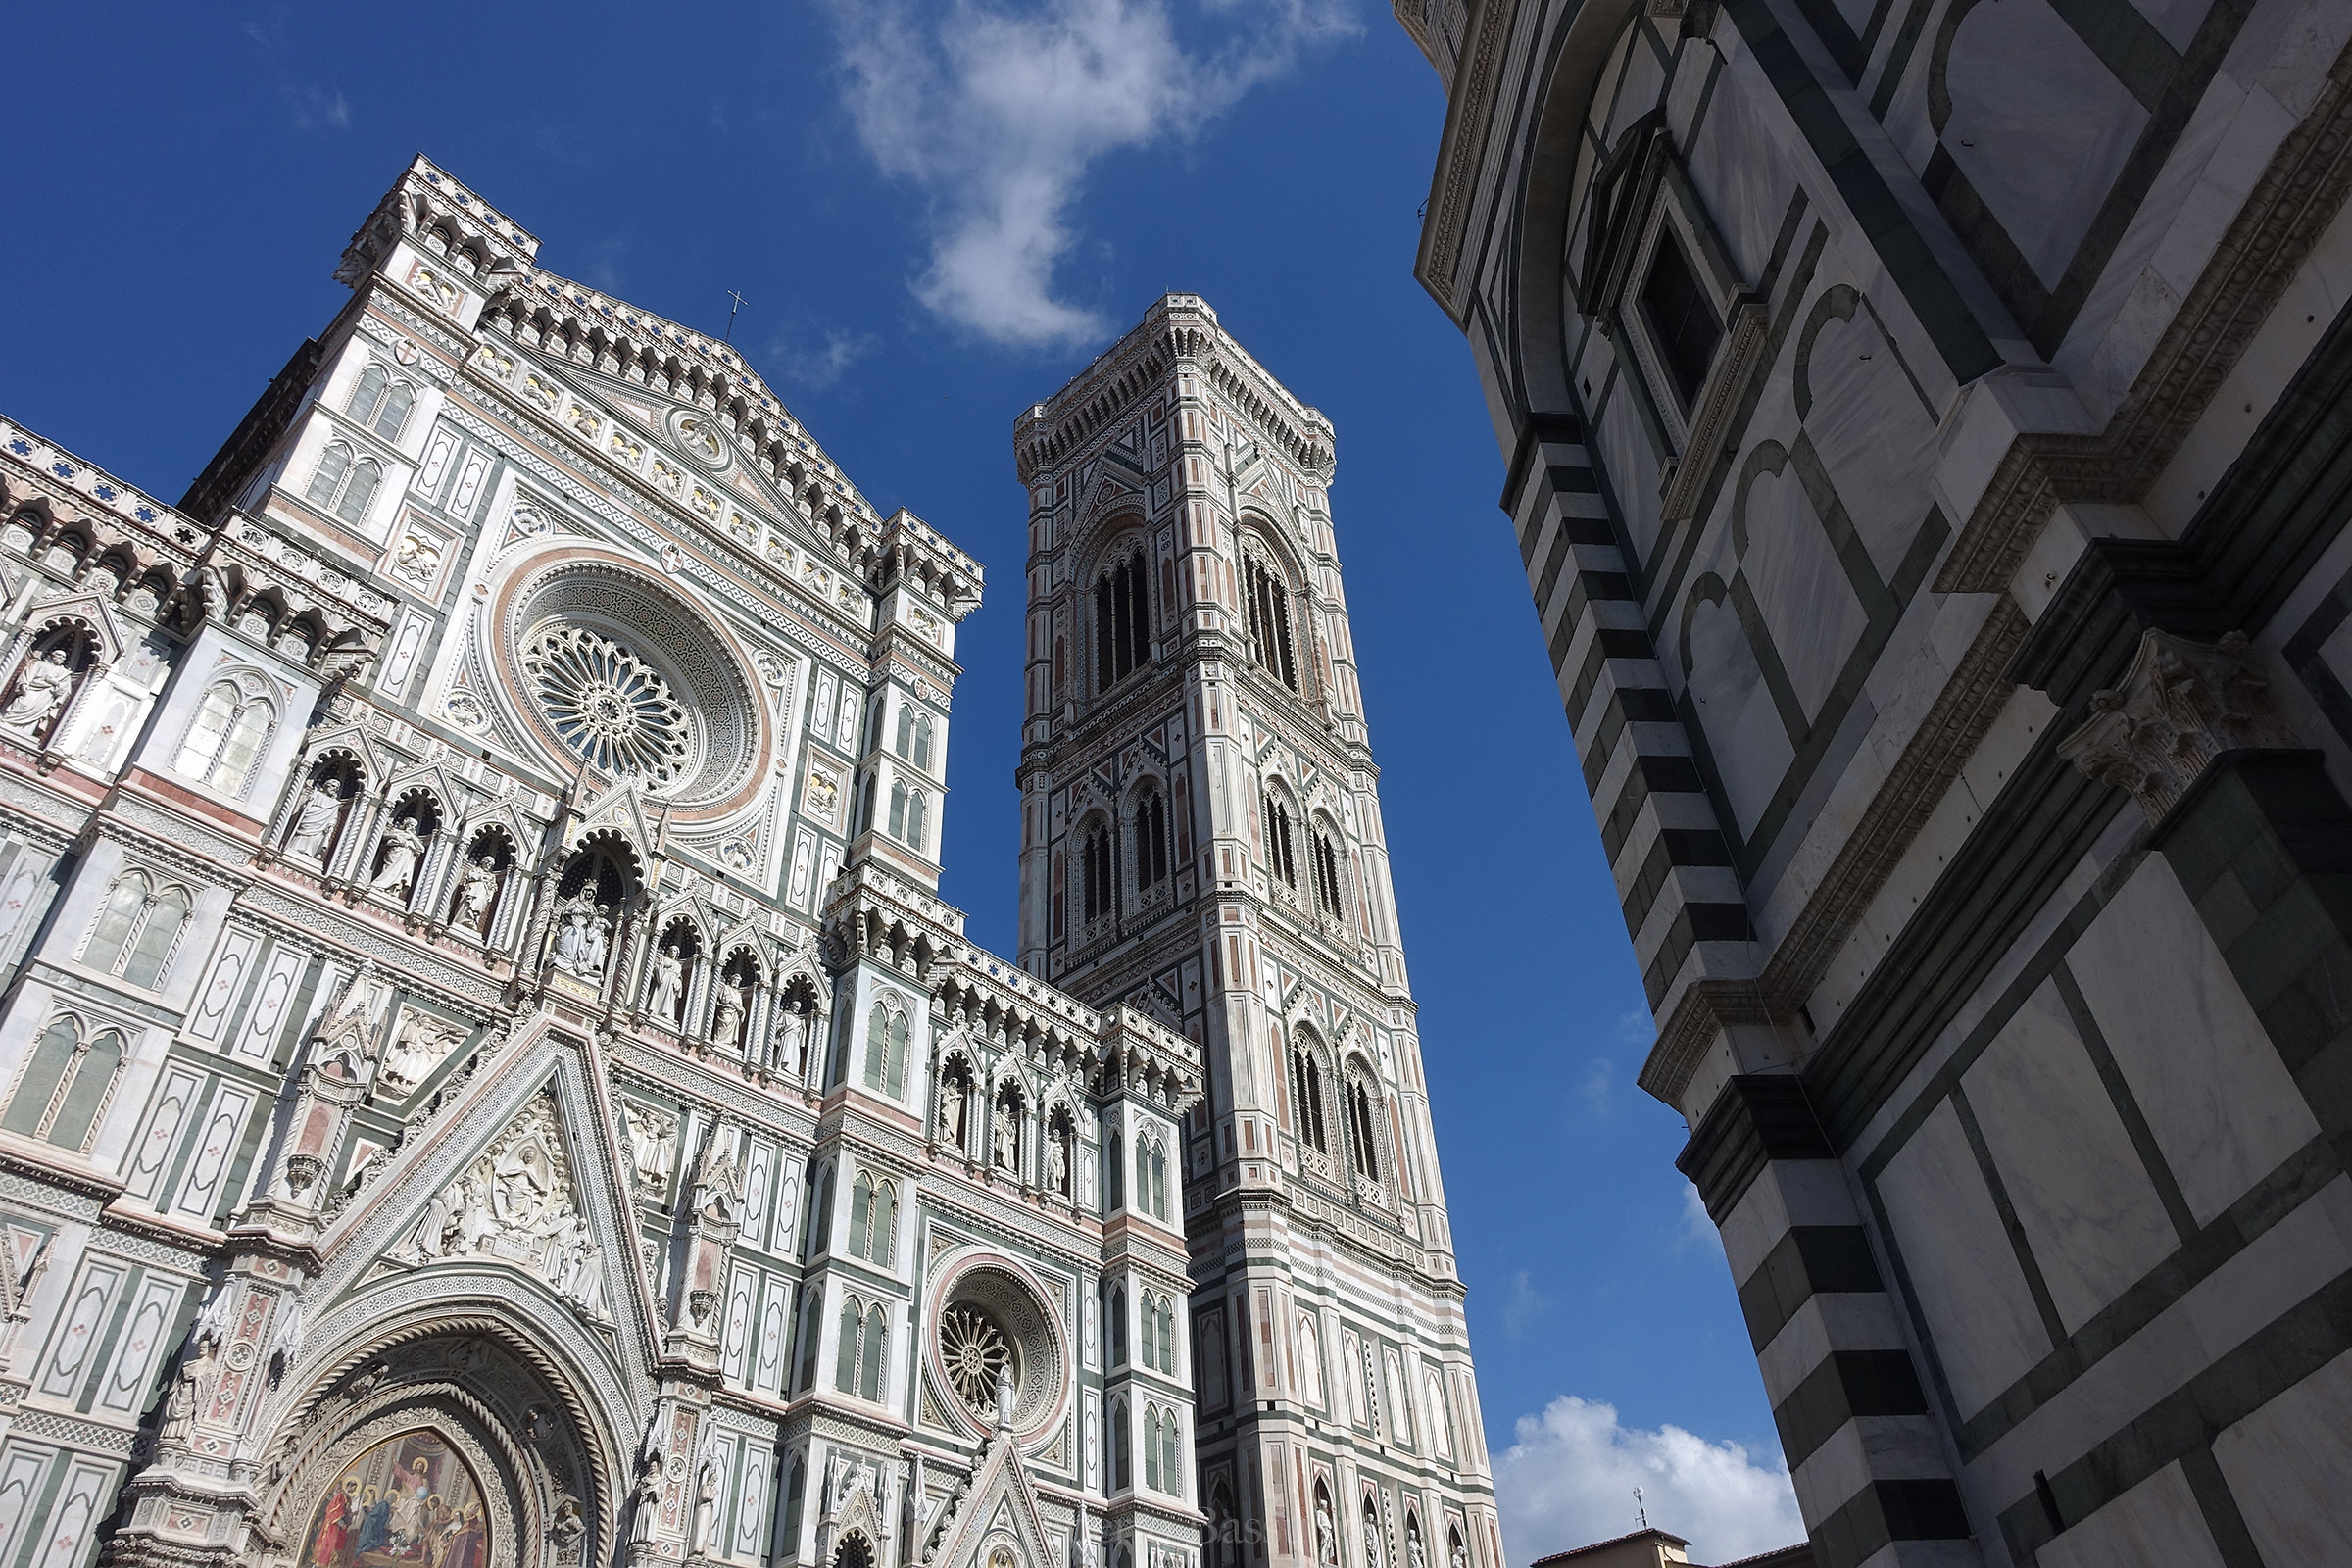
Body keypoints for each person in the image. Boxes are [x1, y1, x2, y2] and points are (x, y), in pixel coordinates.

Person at [0, 649, 73, 742]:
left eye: (63, 657)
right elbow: (28, 675)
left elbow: (65, 691)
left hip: (46, 696)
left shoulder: (64, 673)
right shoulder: (40, 664)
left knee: (36, 713)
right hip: (32, 689)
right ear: (52, 655)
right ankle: (7, 721)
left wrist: (55, 682)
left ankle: (27, 732)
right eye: (58, 655)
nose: (60, 657)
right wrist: (24, 684)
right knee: (22, 703)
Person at [288, 777, 347, 862]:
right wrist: (307, 802)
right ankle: (294, 848)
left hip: (321, 826)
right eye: (333, 786)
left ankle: (309, 853)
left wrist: (331, 826)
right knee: (301, 836)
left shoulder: (335, 803)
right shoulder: (316, 794)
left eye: (337, 788)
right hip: (309, 819)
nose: (334, 789)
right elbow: (303, 808)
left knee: (315, 839)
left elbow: (333, 817)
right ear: (327, 786)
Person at [370, 816, 425, 899]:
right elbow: (385, 835)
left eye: (414, 826)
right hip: (394, 853)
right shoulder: (397, 832)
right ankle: (378, 884)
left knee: (399, 874)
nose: (412, 828)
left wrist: (411, 836)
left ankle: (392, 891)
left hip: (404, 858)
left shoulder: (413, 839)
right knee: (389, 868)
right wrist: (397, 837)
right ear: (406, 825)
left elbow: (422, 849)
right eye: (410, 825)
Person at [311, 1478, 356, 1568]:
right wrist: (341, 1523)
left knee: (336, 1547)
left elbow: (346, 1511)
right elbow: (333, 1510)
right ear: (349, 1486)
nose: (354, 1490)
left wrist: (349, 1515)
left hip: (340, 1530)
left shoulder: (347, 1498)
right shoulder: (340, 1496)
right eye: (353, 1488)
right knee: (329, 1546)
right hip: (333, 1527)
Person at [648, 945, 684, 1019]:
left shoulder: (678, 965)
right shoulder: (664, 959)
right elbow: (656, 968)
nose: (672, 952)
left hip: (672, 982)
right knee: (659, 994)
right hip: (664, 978)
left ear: (677, 953)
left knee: (669, 998)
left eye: (674, 951)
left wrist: (678, 982)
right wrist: (664, 967)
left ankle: (666, 1013)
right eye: (671, 950)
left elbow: (679, 977)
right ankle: (655, 1011)